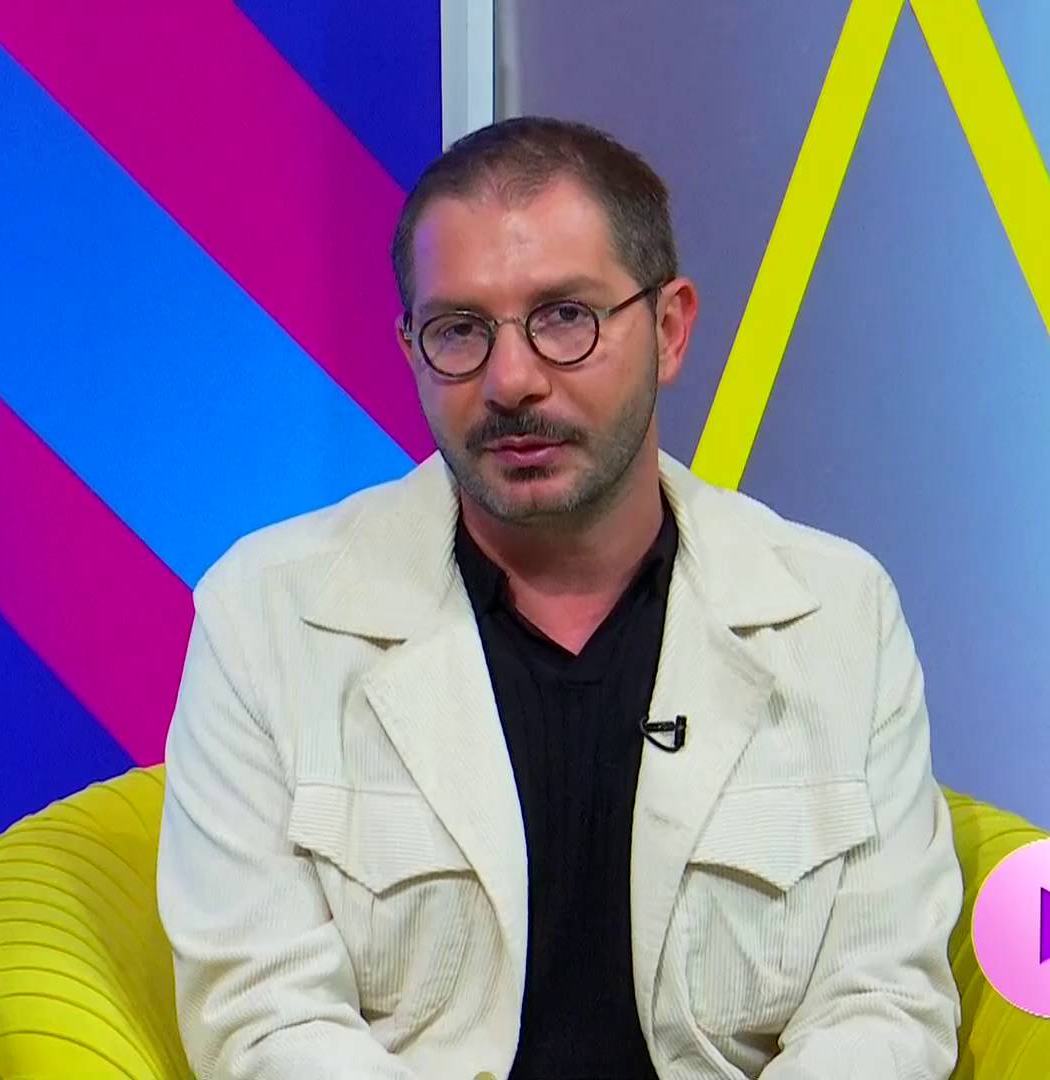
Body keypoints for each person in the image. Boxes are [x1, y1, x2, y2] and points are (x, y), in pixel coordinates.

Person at [156, 116, 962, 1079]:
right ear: (411, 350)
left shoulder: (838, 610)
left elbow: (883, 1006)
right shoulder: (264, 615)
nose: (512, 380)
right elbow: (267, 1021)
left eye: (565, 317)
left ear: (668, 329)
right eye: (460, 331)